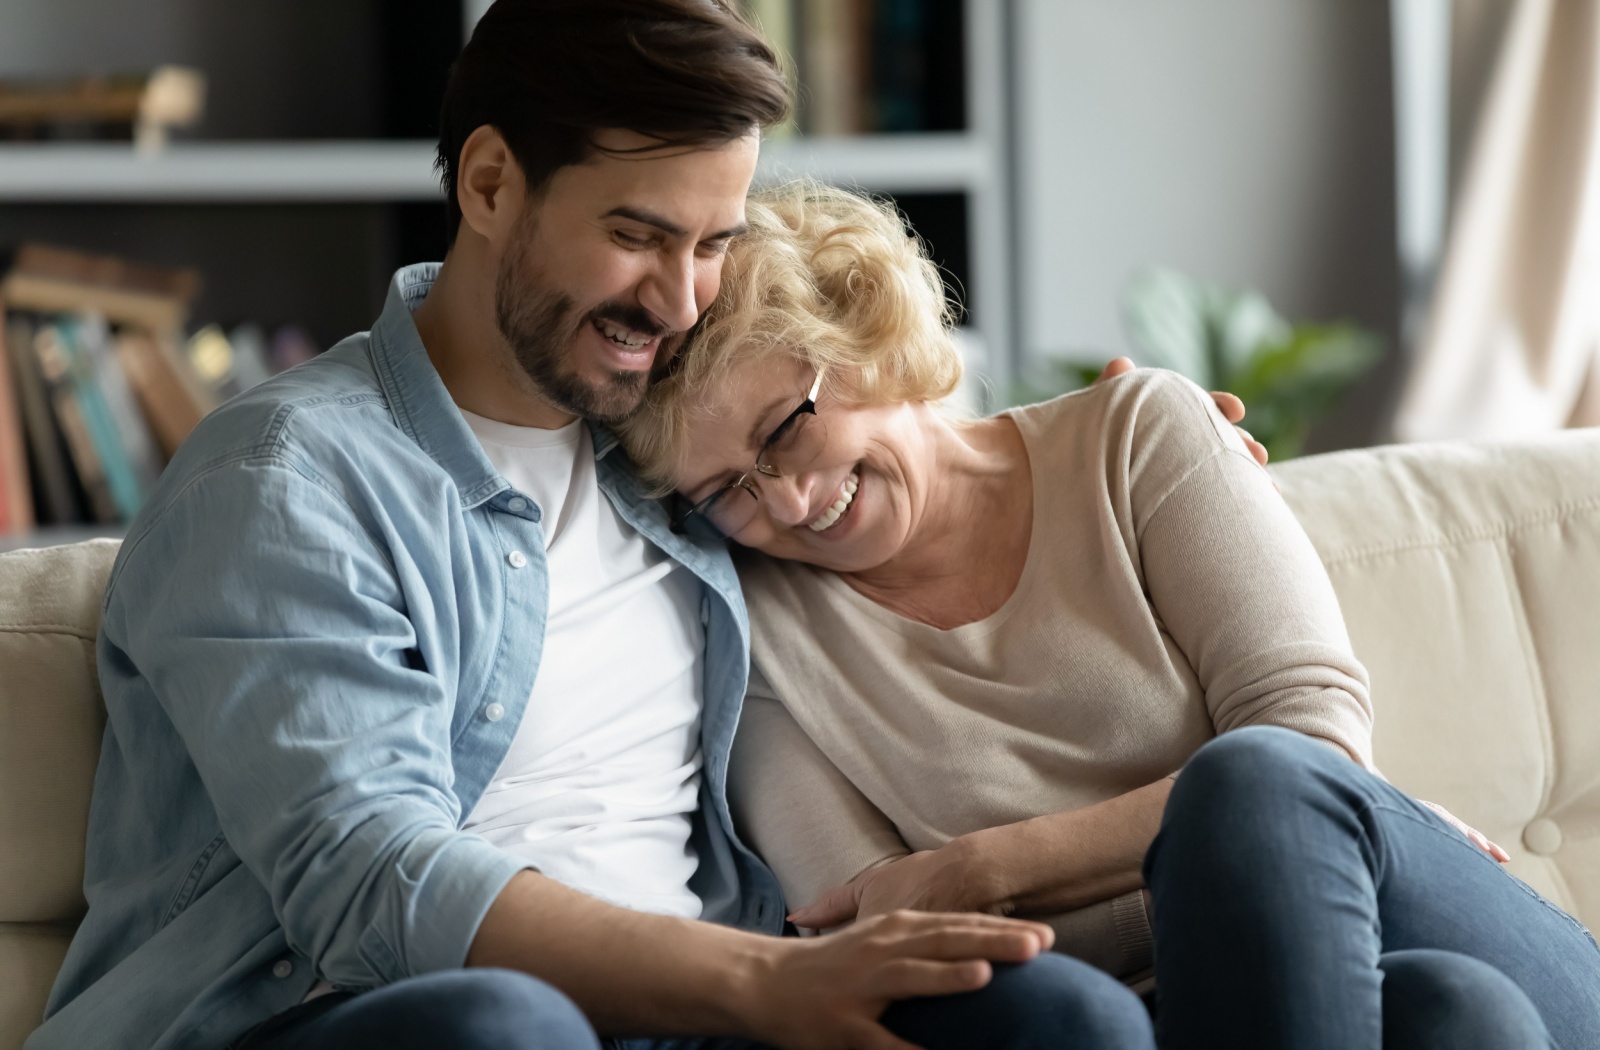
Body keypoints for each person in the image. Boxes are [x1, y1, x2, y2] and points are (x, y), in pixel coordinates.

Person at [28, 4, 1161, 1050]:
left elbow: (867, 454)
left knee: (1058, 1015)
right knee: (510, 1030)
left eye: (713, 244)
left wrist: (1111, 450)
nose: (677, 302)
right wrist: (759, 984)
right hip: (354, 1014)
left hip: (701, 1010)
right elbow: (367, 879)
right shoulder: (284, 480)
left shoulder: (673, 451)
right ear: (487, 183)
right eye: (637, 234)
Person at [614, 180, 1600, 1049]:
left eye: (785, 429)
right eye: (727, 491)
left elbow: (1311, 753)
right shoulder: (760, 638)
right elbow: (889, 938)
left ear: (863, 334)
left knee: (1254, 783)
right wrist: (1256, 867)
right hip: (1224, 1005)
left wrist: (986, 869)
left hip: (1409, 908)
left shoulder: (1135, 437)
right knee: (1446, 1011)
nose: (784, 502)